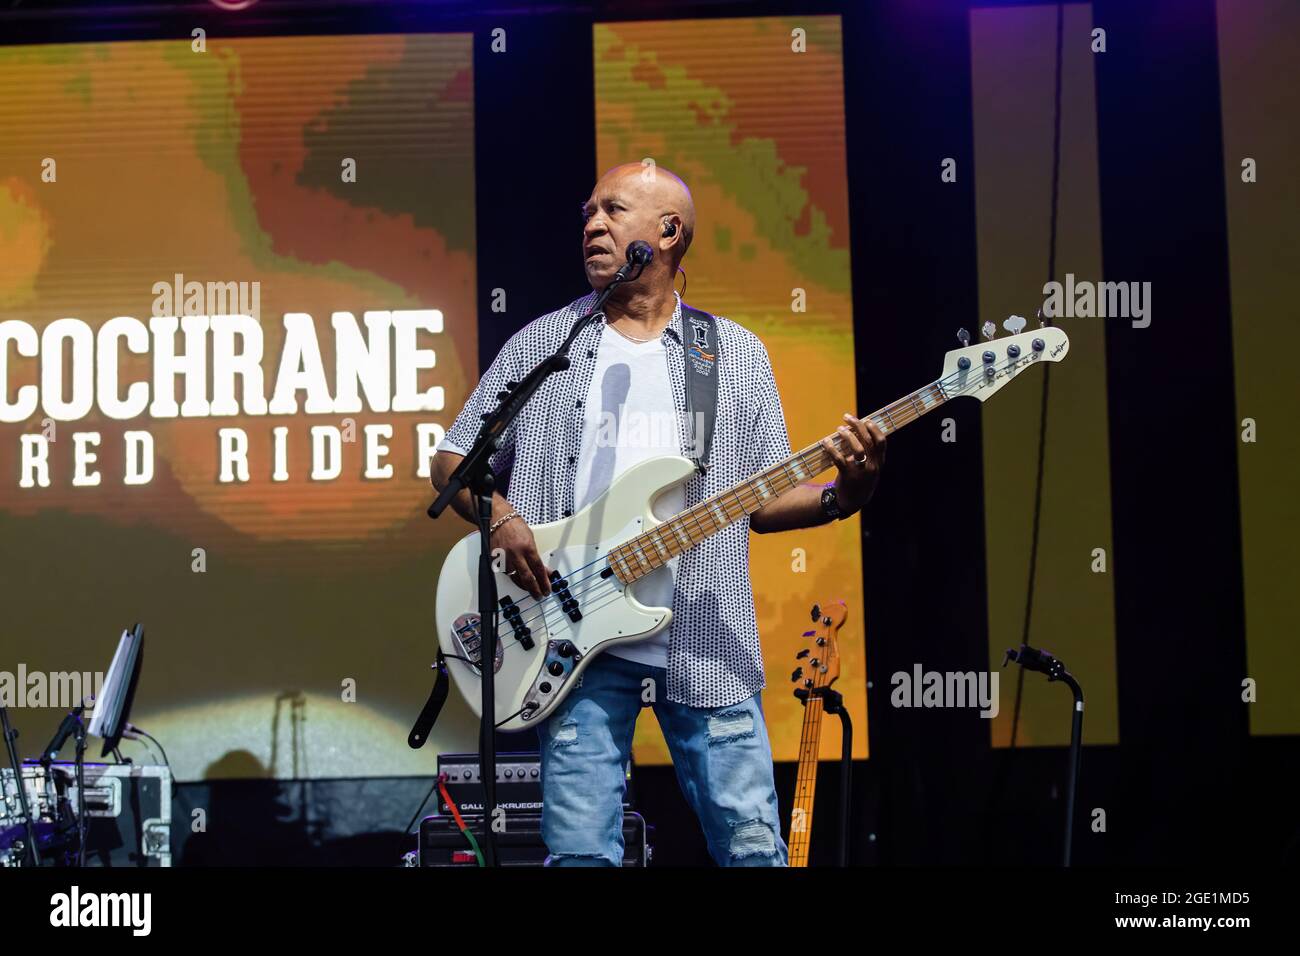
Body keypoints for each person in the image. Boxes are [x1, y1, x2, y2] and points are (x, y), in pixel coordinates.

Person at [429, 162, 884, 866]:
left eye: (612, 211)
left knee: (753, 849)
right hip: (569, 643)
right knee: (581, 857)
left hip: (705, 639)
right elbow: (453, 458)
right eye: (588, 212)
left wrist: (842, 496)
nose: (592, 225)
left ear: (668, 233)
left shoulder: (733, 356)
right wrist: (501, 513)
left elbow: (761, 503)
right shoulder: (546, 345)